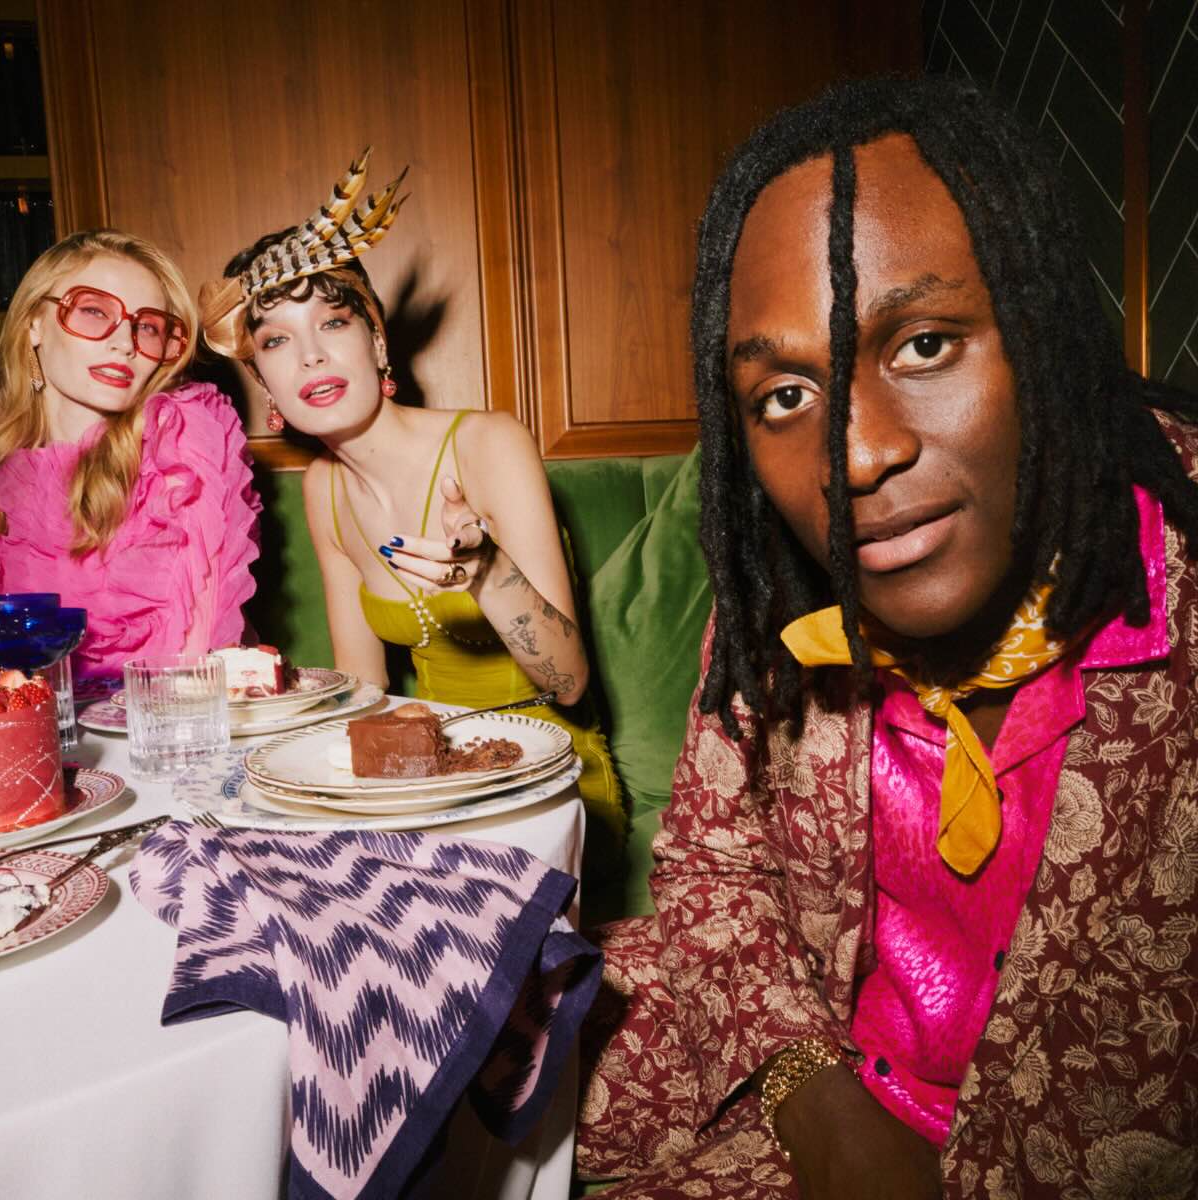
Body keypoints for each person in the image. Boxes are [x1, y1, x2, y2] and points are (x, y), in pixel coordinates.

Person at [576, 77, 1198, 1198]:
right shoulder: (784, 595)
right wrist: (816, 1104)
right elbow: (716, 866)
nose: (855, 458)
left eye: (922, 345)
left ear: (1042, 323)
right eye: (784, 397)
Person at [200, 151, 625, 871]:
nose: (309, 357)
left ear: (375, 339)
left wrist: (487, 574)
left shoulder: (490, 444)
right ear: (261, 376)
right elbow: (364, 697)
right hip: (426, 782)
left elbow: (571, 684)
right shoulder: (325, 490)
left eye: (332, 323)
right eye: (275, 340)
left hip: (546, 776)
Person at [0, 229, 261, 691]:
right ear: (34, 323)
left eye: (148, 326)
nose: (124, 343)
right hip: (7, 739)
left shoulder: (182, 442)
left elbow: (193, 670)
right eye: (94, 311)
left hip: (165, 732)